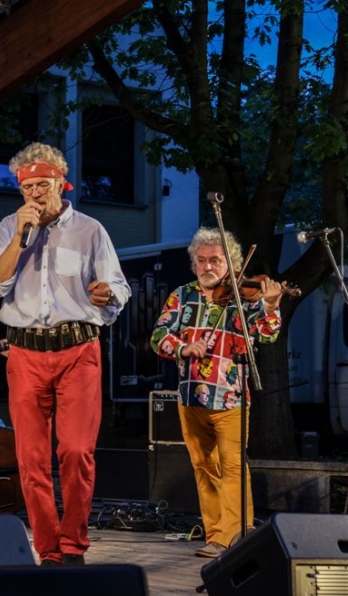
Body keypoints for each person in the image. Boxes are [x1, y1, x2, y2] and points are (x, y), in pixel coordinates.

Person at [0, 142, 129, 566]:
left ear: (61, 183)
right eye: (27, 188)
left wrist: (106, 293)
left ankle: (73, 544)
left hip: (78, 350)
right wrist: (20, 238)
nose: (35, 194)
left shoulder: (90, 230)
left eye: (42, 185)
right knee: (30, 458)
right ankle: (48, 550)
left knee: (76, 451)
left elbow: (119, 287)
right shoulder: (10, 226)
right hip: (26, 353)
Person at [150, 227, 282, 558]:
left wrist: (270, 305)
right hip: (190, 397)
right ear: (194, 263)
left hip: (231, 398)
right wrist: (183, 348)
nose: (207, 266)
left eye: (215, 260)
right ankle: (215, 535)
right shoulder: (182, 295)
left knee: (233, 467)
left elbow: (268, 334)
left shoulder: (244, 297)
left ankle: (234, 538)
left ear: (231, 264)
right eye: (201, 260)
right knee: (204, 467)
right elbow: (159, 336)